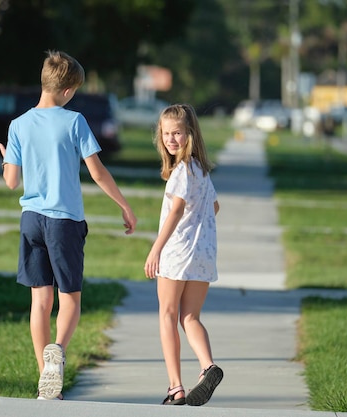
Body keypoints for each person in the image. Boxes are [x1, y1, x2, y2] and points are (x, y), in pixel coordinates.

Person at [0, 50, 137, 400]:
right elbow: (97, 172)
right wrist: (124, 205)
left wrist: (5, 162)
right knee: (70, 299)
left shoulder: (18, 125)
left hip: (31, 220)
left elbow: (11, 182)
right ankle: (57, 351)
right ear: (70, 90)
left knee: (39, 303)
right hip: (65, 223)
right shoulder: (75, 122)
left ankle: (47, 384)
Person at [144, 104, 223, 406]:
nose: (171, 139)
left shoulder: (180, 170)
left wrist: (156, 248)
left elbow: (176, 209)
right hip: (203, 255)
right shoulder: (202, 171)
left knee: (167, 314)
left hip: (176, 253)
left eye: (177, 132)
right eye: (166, 133)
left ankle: (175, 387)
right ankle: (208, 367)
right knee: (190, 317)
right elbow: (214, 207)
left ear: (190, 134)